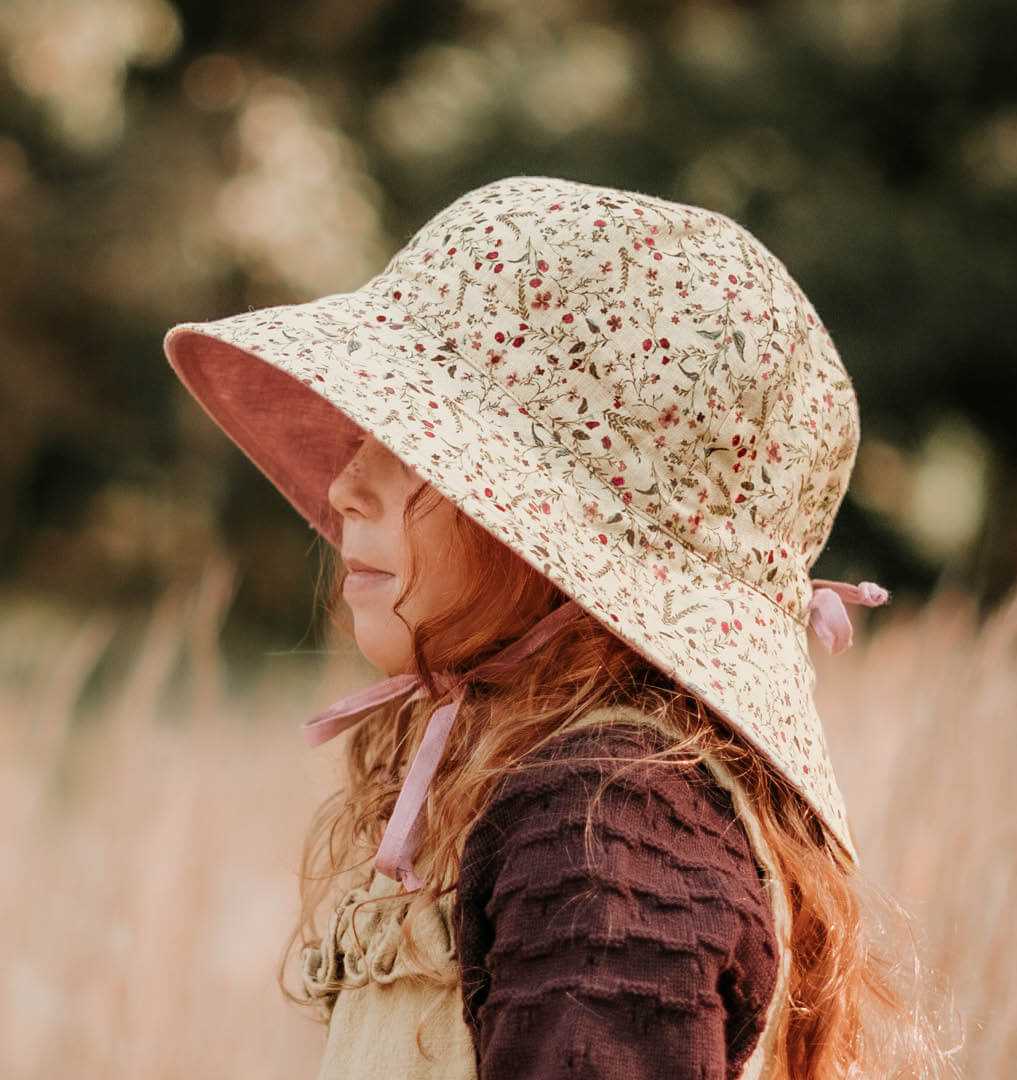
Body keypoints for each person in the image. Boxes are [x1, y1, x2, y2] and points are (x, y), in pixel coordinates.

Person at [164, 177, 952, 1079]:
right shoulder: (552, 790)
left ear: (557, 533)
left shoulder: (602, 835)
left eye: (418, 441)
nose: (346, 487)